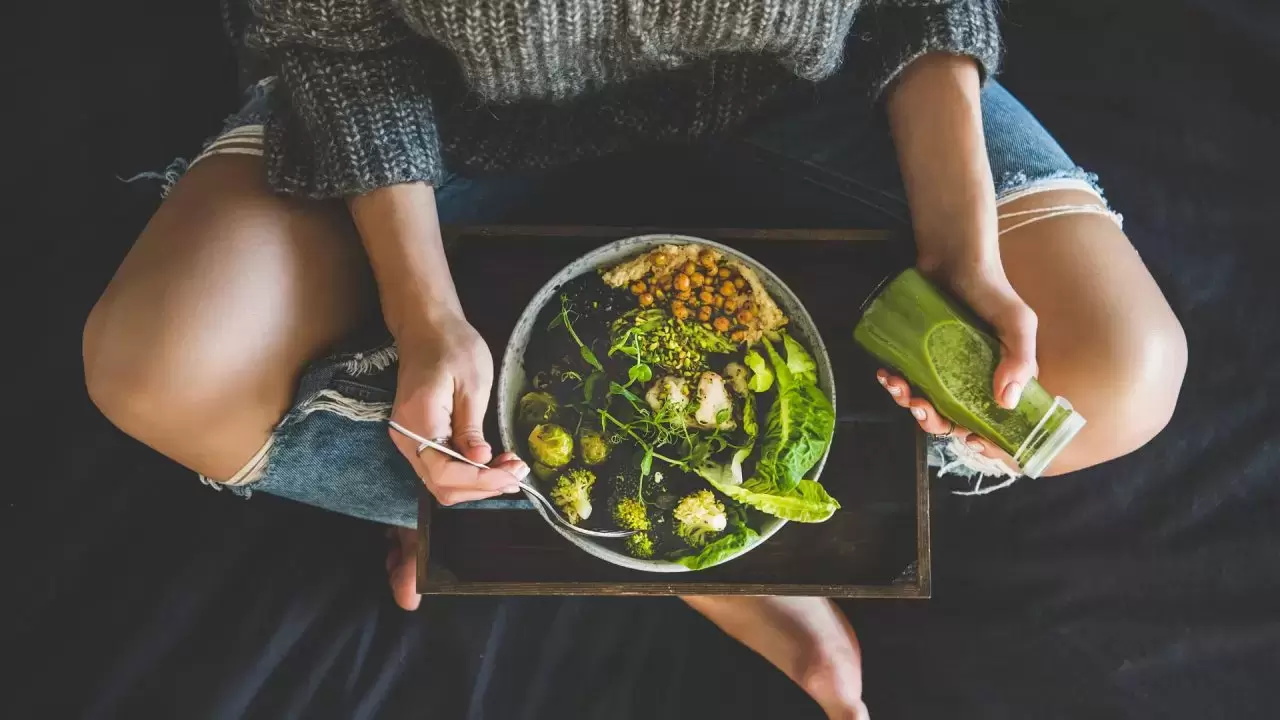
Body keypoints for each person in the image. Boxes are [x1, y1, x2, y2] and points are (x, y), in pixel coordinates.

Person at [84, 1, 1187, 717]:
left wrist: (959, 250)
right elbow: (335, 41)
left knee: (1113, 376)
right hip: (436, 118)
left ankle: (518, 521)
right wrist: (423, 315)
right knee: (159, 362)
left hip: (812, 91)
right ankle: (698, 564)